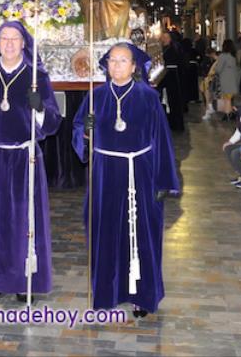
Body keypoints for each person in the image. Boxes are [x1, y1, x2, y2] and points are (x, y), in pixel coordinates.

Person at [71, 42, 180, 317]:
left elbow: (162, 139)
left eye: (122, 60)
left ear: (133, 66)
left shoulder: (148, 97)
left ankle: (141, 296)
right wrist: (85, 132)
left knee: (141, 234)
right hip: (105, 174)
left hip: (139, 172)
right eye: (112, 60)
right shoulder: (95, 96)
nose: (116, 65)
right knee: (105, 231)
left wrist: (164, 181)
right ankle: (107, 292)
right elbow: (79, 132)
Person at [0, 21, 61, 301]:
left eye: (14, 38)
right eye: (3, 38)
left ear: (23, 43)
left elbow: (53, 123)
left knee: (23, 220)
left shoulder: (36, 77)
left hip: (24, 157)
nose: (8, 44)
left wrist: (39, 107)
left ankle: (22, 281)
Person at [157, 31, 186, 132]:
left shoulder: (173, 48)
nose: (164, 39)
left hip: (172, 75)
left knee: (174, 100)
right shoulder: (164, 48)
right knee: (167, 100)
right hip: (168, 74)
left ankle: (176, 123)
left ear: (170, 38)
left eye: (166, 37)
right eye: (163, 37)